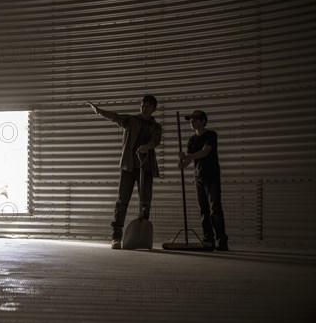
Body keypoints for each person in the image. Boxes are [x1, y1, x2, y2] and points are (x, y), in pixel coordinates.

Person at [88, 95, 162, 249]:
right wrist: (99, 111)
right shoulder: (131, 120)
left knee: (145, 203)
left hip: (146, 168)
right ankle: (116, 237)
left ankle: (141, 237)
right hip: (128, 167)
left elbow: (155, 141)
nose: (144, 108)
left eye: (148, 106)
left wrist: (147, 147)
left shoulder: (156, 127)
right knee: (122, 202)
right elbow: (115, 117)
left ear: (154, 108)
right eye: (142, 105)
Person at [179, 110, 229, 251]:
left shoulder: (211, 135)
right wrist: (182, 162)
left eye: (195, 119)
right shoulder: (191, 140)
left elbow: (205, 152)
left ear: (203, 121)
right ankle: (208, 239)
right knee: (203, 210)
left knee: (215, 209)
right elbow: (189, 160)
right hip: (199, 177)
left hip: (212, 176)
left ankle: (221, 240)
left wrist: (188, 155)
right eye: (190, 120)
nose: (192, 122)